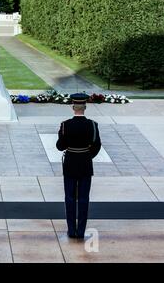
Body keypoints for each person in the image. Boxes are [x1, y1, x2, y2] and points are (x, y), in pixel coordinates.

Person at [56, 93, 101, 239]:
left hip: (70, 163)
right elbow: (96, 146)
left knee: (69, 198)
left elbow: (60, 146)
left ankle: (71, 230)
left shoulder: (65, 125)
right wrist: (87, 156)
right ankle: (80, 231)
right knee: (83, 198)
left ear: (73, 107)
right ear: (85, 107)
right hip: (85, 164)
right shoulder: (92, 125)